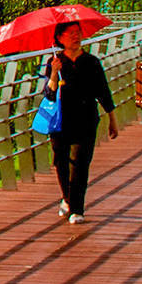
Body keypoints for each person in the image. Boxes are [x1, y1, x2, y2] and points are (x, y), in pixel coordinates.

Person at [44, 24, 116, 223]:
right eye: (71, 34)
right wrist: (53, 74)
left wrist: (112, 119)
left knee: (80, 164)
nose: (76, 37)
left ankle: (77, 209)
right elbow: (49, 94)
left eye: (78, 33)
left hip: (86, 119)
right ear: (60, 37)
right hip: (60, 121)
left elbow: (103, 91)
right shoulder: (55, 61)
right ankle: (67, 199)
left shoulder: (91, 62)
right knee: (61, 162)